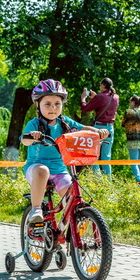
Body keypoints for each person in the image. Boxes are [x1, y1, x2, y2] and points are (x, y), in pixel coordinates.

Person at [22, 79, 109, 223]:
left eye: (57, 104)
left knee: (72, 194)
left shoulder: (65, 122)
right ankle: (35, 209)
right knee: (43, 170)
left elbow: (83, 128)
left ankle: (72, 226)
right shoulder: (34, 124)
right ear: (37, 104)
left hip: (59, 170)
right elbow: (24, 140)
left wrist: (98, 132)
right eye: (47, 104)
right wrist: (32, 137)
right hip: (35, 168)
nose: (53, 108)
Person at [80, 77, 119, 176]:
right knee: (106, 157)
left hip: (99, 128)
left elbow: (85, 109)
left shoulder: (100, 97)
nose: (99, 86)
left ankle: (99, 180)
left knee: (94, 156)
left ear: (103, 85)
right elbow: (105, 104)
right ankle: (108, 181)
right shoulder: (116, 97)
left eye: (100, 84)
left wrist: (83, 98)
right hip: (110, 128)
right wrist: (95, 97)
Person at [121, 95, 140, 187]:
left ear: (133, 102)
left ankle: (138, 182)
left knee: (133, 162)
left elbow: (123, 124)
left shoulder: (129, 112)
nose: (130, 104)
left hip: (132, 139)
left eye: (130, 102)